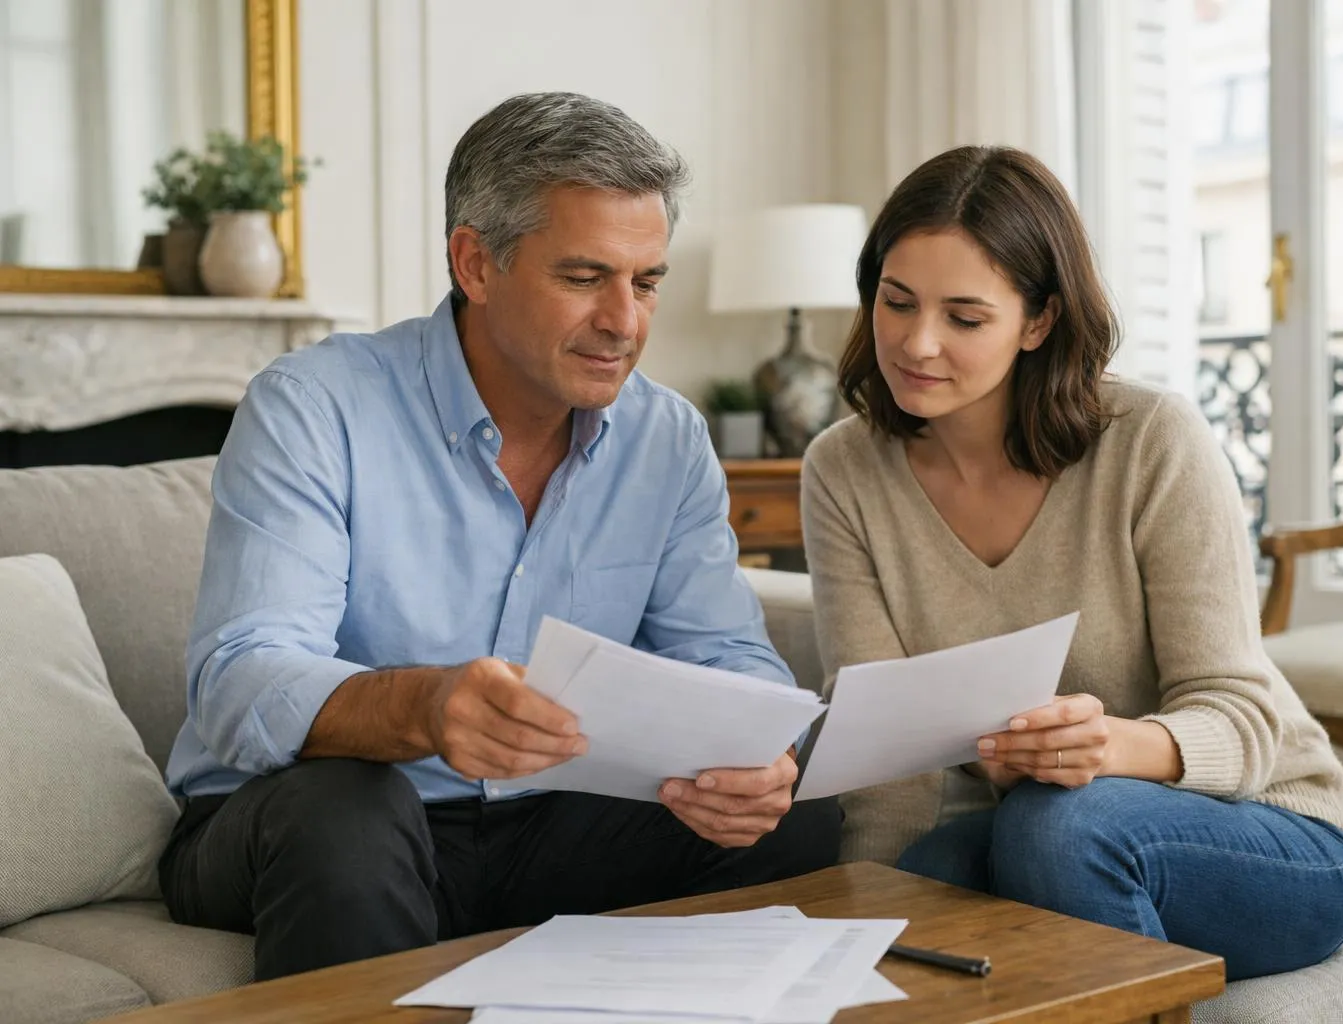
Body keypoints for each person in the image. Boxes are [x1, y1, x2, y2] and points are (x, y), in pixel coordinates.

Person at [160, 91, 841, 981]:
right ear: (475, 264)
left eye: (647, 282)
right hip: (307, 822)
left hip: (544, 825)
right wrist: (424, 708)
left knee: (805, 812)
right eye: (584, 277)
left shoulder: (667, 438)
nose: (625, 322)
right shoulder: (315, 405)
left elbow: (729, 658)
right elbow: (240, 678)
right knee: (349, 812)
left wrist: (757, 761)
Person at [801, 145, 1343, 981]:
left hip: (1268, 829)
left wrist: (1107, 747)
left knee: (1053, 824)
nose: (917, 344)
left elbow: (1243, 720)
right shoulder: (842, 470)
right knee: (904, 893)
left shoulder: (1151, 440)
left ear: (1038, 321)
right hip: (1046, 823)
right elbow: (885, 751)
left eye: (964, 317)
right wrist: (865, 907)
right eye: (896, 301)